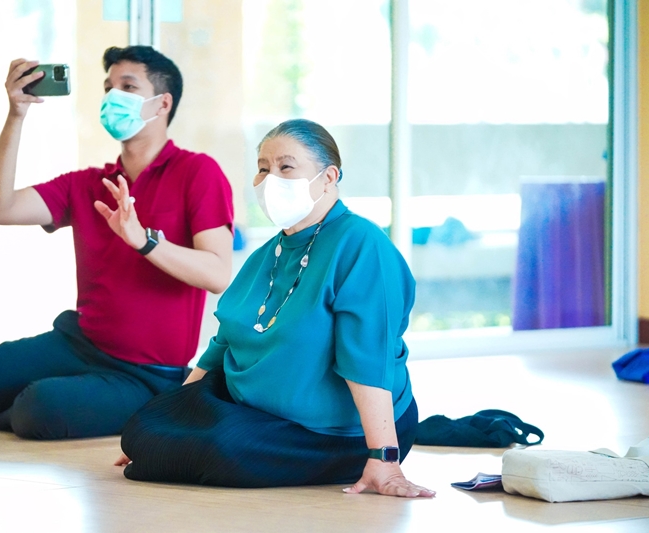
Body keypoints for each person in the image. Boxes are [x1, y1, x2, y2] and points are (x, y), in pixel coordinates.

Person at [0, 46, 234, 440]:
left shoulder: (198, 171)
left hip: (148, 375)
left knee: (40, 408)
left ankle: (34, 405)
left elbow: (218, 274)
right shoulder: (87, 183)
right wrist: (16, 116)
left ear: (162, 103)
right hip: (76, 343)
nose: (112, 96)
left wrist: (145, 242)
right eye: (108, 87)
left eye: (127, 87)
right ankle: (32, 404)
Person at [115, 119, 434, 498]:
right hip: (257, 410)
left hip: (335, 431)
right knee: (143, 427)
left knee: (223, 448)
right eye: (263, 168)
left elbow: (369, 360)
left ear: (328, 177)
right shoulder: (268, 253)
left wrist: (383, 457)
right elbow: (221, 346)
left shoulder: (362, 245)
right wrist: (169, 415)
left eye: (286, 167)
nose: (270, 180)